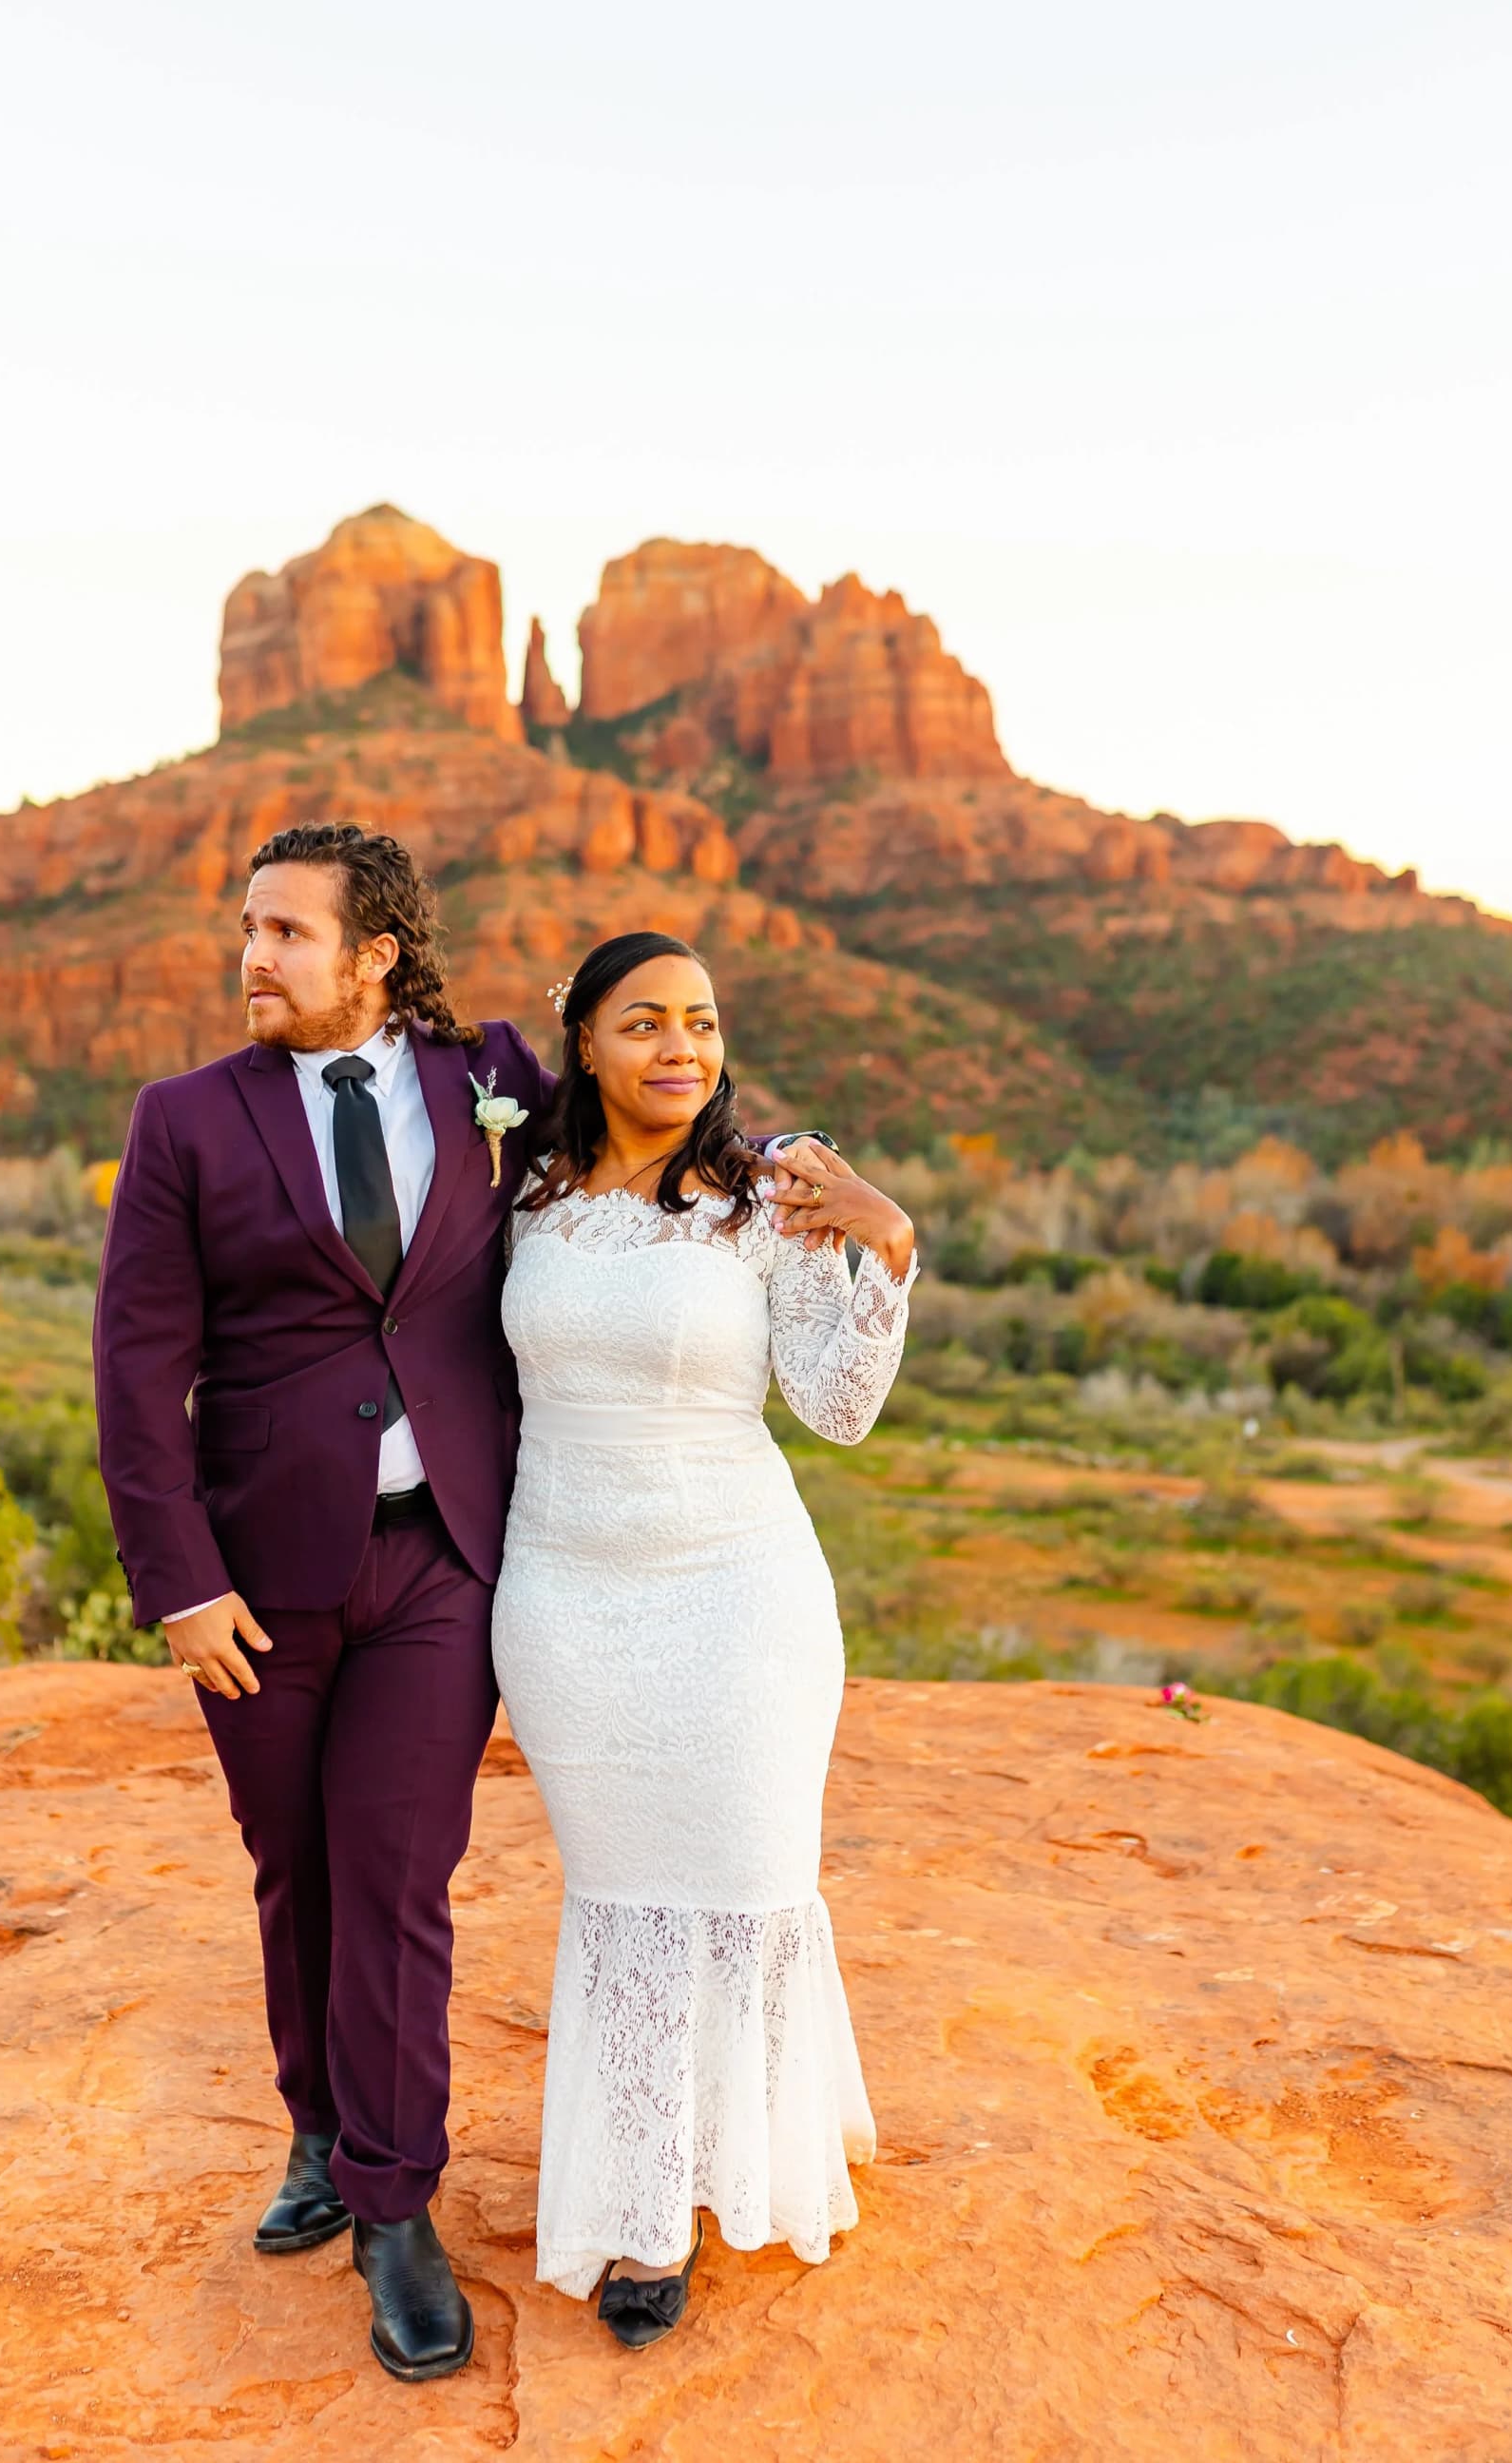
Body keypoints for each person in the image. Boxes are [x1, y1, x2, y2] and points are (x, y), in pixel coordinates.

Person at [92, 826, 823, 2387]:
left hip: (450, 1563)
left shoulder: (481, 1078)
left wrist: (787, 1186)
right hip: (259, 1581)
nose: (253, 957)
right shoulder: (183, 1125)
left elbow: (655, 1121)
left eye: (286, 932)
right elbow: (135, 1374)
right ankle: (315, 2127)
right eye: (246, 929)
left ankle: (392, 2205)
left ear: (374, 955)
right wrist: (181, 1585)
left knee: (398, 1873)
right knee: (294, 1868)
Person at [491, 930, 916, 2347]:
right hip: (564, 1597)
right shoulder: (526, 1193)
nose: (682, 1047)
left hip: (738, 1597)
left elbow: (839, 1406)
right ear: (587, 1045)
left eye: (704, 1022)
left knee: (742, 1883)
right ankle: (638, 2204)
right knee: (622, 1904)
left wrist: (885, 1243)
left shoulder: (763, 1199)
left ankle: (719, 2182)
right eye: (645, 1023)